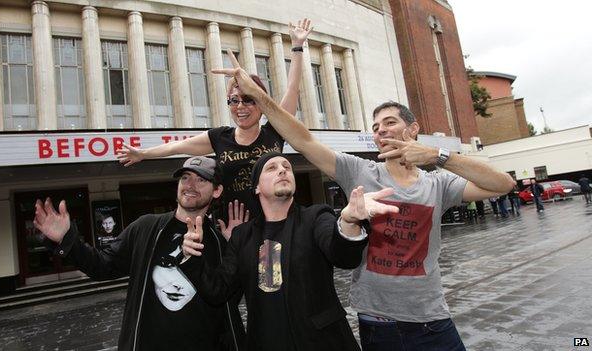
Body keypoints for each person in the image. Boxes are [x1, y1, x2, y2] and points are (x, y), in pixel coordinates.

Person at [212, 55, 516, 351]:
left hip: (431, 321)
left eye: (389, 122)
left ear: (412, 130)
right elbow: (303, 140)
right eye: (375, 126)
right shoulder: (358, 170)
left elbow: (502, 184)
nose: (380, 129)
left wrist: (439, 156)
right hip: (378, 323)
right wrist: (257, 97)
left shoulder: (439, 183)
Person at [183, 153, 400, 350]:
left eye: (286, 166)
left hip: (323, 342)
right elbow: (217, 290)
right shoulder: (242, 236)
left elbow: (342, 254)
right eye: (271, 168)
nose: (282, 170)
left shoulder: (316, 217)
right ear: (256, 187)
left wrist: (349, 223)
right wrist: (193, 256)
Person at [32, 156, 245, 351]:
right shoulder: (146, 227)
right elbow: (101, 266)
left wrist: (234, 245)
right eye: (186, 178)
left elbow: (227, 300)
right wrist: (65, 239)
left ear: (216, 191)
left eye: (201, 180)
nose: (190, 185)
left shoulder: (220, 243)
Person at [117, 19, 313, 223]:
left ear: (261, 103)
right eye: (234, 100)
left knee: (273, 256)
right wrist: (143, 154)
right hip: (232, 231)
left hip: (276, 225)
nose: (240, 106)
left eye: (248, 99)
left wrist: (297, 46)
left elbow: (292, 88)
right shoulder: (220, 137)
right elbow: (178, 146)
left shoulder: (275, 130)